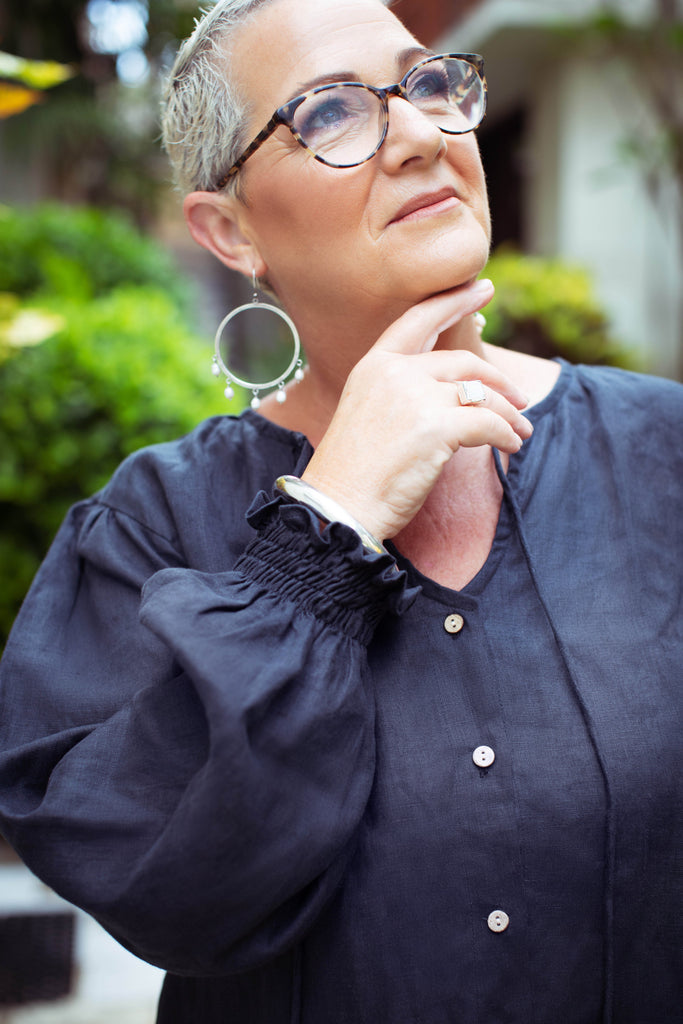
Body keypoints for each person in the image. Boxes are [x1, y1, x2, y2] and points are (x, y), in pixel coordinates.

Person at [0, 0, 681, 1020]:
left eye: (428, 84)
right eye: (328, 114)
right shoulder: (149, 526)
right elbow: (156, 879)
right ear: (228, 230)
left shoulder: (660, 452)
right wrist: (329, 521)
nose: (416, 133)